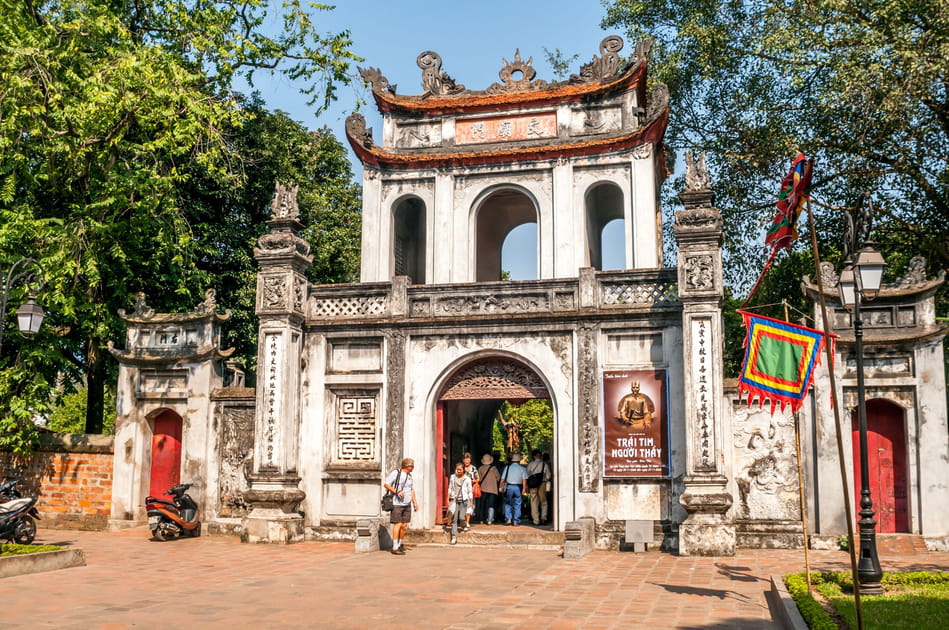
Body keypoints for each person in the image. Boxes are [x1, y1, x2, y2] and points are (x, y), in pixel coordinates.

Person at [383, 457, 418, 555]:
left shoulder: (410, 476)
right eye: (412, 466)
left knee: (404, 525)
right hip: (397, 502)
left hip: (407, 503)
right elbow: (386, 484)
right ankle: (394, 547)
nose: (413, 468)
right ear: (407, 466)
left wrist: (414, 502)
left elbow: (411, 489)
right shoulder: (396, 473)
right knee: (397, 524)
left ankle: (399, 543)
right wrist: (396, 491)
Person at [446, 462, 472, 545]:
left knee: (461, 517)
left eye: (460, 469)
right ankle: (454, 537)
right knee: (454, 519)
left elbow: (470, 491)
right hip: (454, 500)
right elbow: (450, 487)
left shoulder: (467, 479)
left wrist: (471, 501)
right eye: (457, 469)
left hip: (464, 500)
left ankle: (464, 525)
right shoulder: (453, 477)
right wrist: (448, 497)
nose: (459, 471)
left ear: (463, 469)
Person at [500, 453, 528, 526]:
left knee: (508, 503)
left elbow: (502, 479)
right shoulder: (522, 468)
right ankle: (516, 520)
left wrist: (500, 487)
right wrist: (524, 488)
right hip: (518, 487)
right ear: (519, 460)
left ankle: (508, 518)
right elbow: (524, 479)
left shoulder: (507, 467)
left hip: (509, 487)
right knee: (517, 503)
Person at [525, 450, 551, 526]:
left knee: (534, 502)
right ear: (540, 456)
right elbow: (548, 476)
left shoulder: (530, 465)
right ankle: (543, 518)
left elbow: (526, 475)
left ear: (533, 456)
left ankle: (536, 520)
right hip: (542, 484)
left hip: (532, 485)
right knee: (543, 502)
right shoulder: (544, 465)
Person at [476, 453, 500, 525]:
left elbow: (478, 479)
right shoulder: (494, 469)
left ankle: (481, 519)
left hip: (483, 489)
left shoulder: (480, 468)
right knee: (491, 505)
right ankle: (490, 519)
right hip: (493, 489)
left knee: (482, 504)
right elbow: (498, 478)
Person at [461, 452, 479, 529]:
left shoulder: (473, 468)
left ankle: (467, 522)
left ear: (470, 460)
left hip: (470, 490)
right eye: (465, 459)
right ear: (463, 460)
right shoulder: (460, 468)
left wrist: (472, 481)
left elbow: (478, 478)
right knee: (462, 505)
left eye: (468, 459)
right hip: (461, 490)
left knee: (470, 505)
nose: (467, 461)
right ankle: (463, 520)